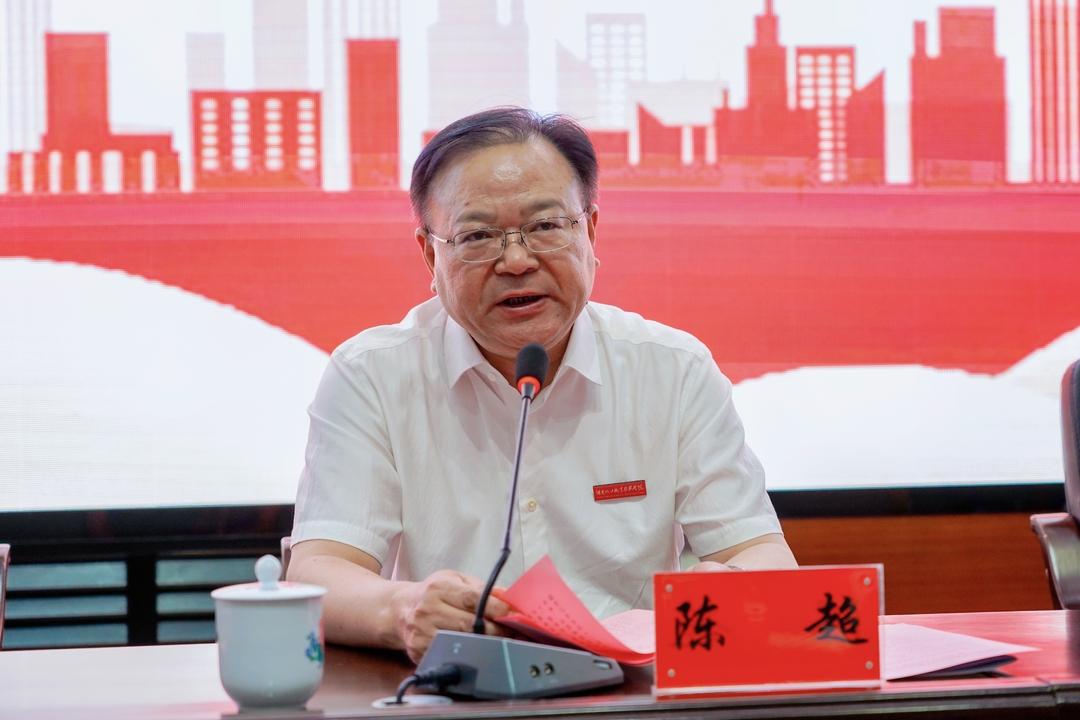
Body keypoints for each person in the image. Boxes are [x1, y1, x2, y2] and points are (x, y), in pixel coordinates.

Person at [287, 107, 797, 663]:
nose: (515, 260)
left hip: (629, 689)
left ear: (590, 231)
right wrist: (402, 608)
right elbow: (319, 572)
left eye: (545, 226)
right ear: (431, 254)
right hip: (459, 682)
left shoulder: (673, 369)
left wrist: (734, 583)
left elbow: (761, 552)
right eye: (477, 235)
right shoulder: (371, 375)